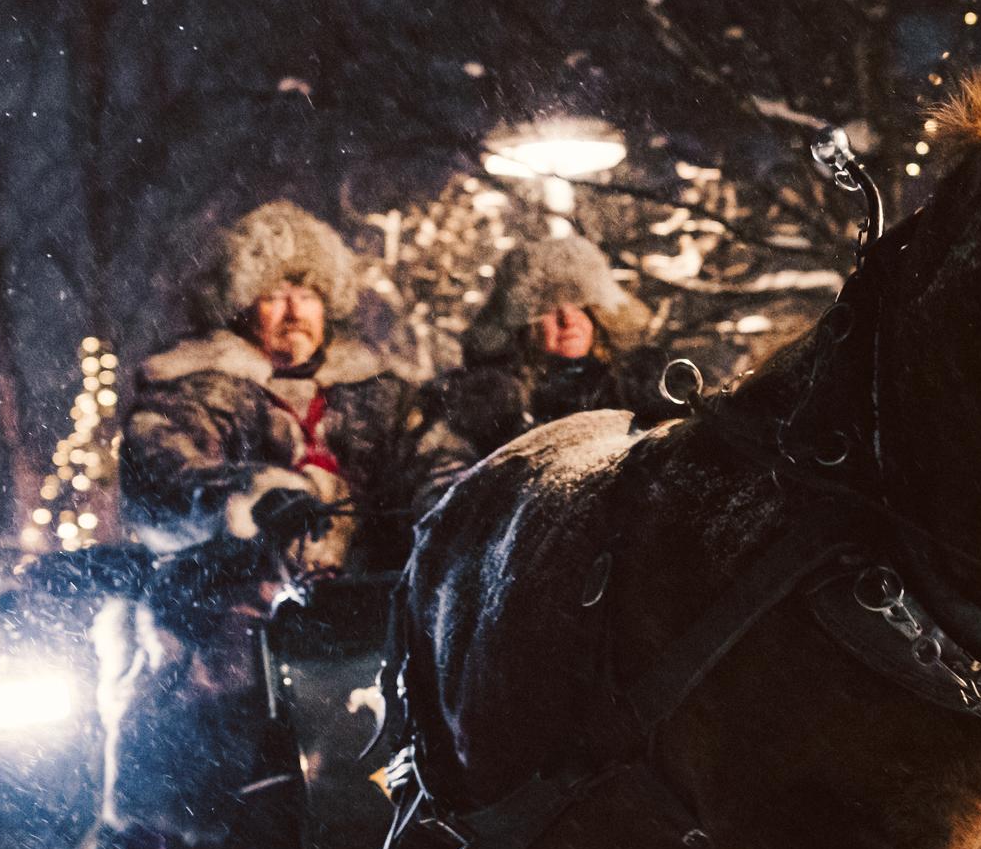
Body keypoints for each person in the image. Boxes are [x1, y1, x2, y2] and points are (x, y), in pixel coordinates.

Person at [122, 201, 433, 573]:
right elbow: (163, 477)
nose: (294, 313)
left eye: (307, 296)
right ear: (242, 309)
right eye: (274, 297)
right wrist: (258, 495)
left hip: (374, 595)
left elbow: (438, 463)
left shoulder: (379, 393)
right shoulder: (194, 393)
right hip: (243, 594)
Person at [421, 233, 660, 470]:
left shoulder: (636, 387)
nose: (568, 319)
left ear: (598, 317)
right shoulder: (482, 402)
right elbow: (444, 478)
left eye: (579, 307)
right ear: (523, 329)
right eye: (549, 309)